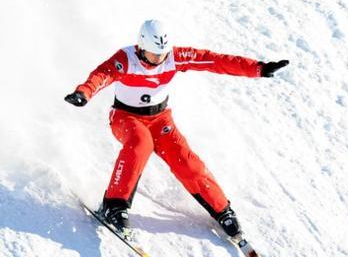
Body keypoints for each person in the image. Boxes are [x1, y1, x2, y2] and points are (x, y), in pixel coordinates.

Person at [64, 19, 288, 239]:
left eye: (161, 54)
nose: (158, 60)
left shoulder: (174, 57)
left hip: (161, 119)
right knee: (141, 145)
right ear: (141, 46)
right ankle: (113, 206)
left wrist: (257, 69)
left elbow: (212, 60)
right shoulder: (126, 58)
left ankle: (222, 210)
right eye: (153, 55)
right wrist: (84, 93)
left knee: (186, 160)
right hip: (126, 117)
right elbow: (102, 74)